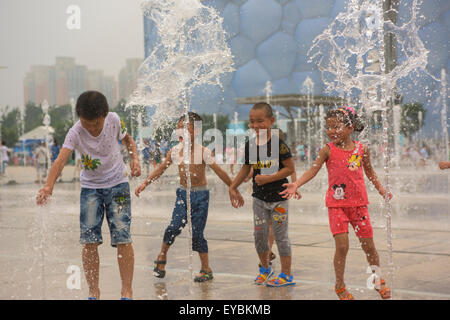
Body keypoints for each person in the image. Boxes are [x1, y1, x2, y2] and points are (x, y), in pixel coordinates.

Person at [36, 91, 141, 300]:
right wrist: (48, 187)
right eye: (87, 124)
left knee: (123, 236)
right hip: (90, 189)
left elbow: (128, 141)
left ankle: (126, 291)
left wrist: (135, 159)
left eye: (96, 125)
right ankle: (94, 290)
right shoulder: (75, 132)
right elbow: (60, 160)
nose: (91, 129)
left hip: (118, 185)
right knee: (89, 240)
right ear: (80, 118)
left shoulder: (114, 120)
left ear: (105, 114)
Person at [280, 106, 392, 300]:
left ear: (350, 128)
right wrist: (296, 183)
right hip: (337, 206)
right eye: (328, 127)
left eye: (336, 126)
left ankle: (376, 278)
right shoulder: (327, 150)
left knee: (369, 246)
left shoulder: (361, 149)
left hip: (359, 206)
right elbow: (312, 170)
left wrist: (382, 190)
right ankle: (340, 285)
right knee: (342, 246)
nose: (331, 131)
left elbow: (370, 172)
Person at [135, 112, 237, 282]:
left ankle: (206, 269)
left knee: (197, 233)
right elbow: (160, 169)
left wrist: (233, 188)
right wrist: (145, 183)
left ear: (196, 131)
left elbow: (220, 172)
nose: (180, 131)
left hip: (201, 196)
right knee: (173, 227)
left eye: (185, 127)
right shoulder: (174, 151)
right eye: (178, 128)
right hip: (183, 194)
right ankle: (161, 257)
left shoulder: (203, 152)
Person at [229, 102, 296, 287]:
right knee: (259, 235)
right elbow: (246, 168)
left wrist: (269, 178)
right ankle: (265, 270)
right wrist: (233, 186)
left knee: (281, 237)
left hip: (279, 199)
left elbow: (290, 169)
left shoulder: (279, 145)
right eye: (252, 121)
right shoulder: (251, 145)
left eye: (260, 121)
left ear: (271, 121)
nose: (256, 125)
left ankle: (287, 274)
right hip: (259, 199)